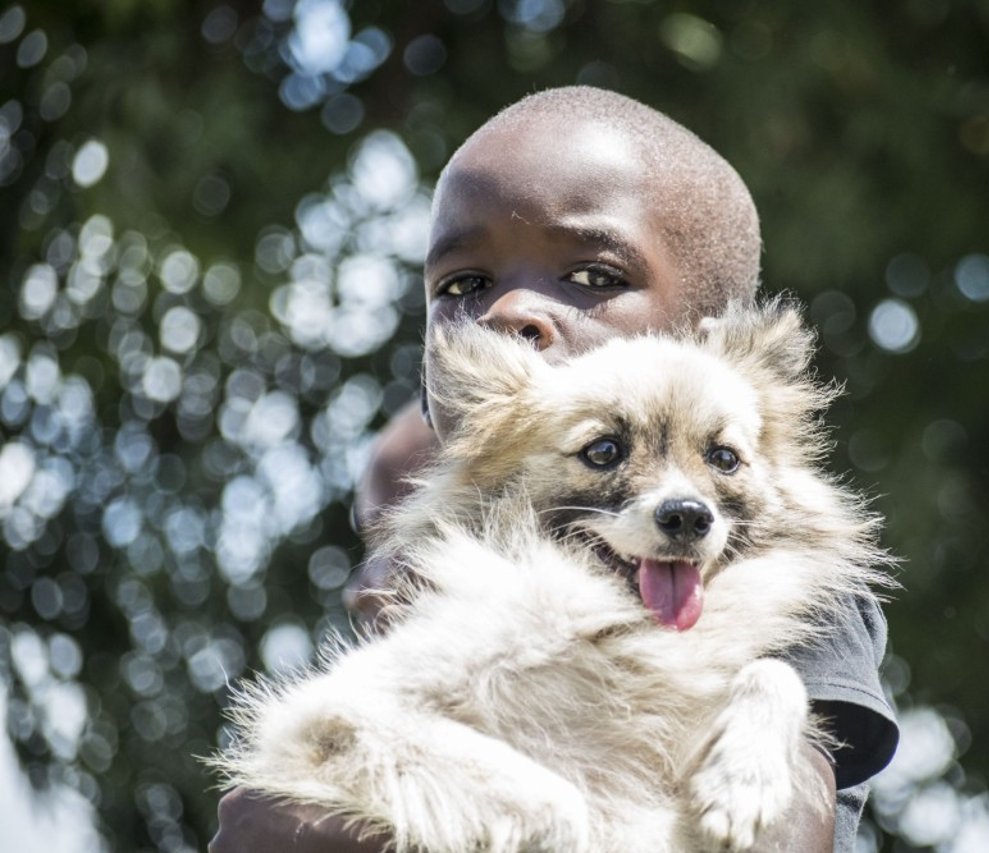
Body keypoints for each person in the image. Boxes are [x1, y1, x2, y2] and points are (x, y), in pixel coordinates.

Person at [210, 85, 898, 852]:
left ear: (708, 344)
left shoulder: (775, 587)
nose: (509, 312)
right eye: (464, 287)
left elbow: (786, 835)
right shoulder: (465, 566)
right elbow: (310, 755)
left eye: (594, 278)